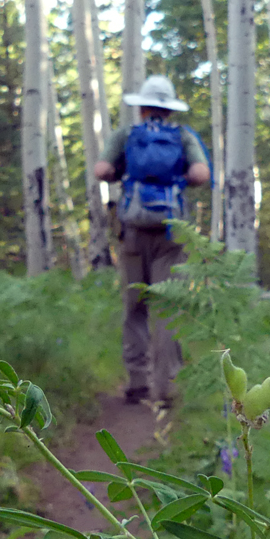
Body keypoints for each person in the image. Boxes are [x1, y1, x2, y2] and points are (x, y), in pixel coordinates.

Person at [93, 75, 211, 405]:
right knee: (167, 306)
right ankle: (167, 386)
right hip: (172, 234)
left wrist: (124, 174)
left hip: (132, 234)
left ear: (142, 107)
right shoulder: (183, 136)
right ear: (169, 110)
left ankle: (136, 383)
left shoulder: (128, 135)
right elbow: (202, 174)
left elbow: (101, 169)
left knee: (135, 308)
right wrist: (178, 179)